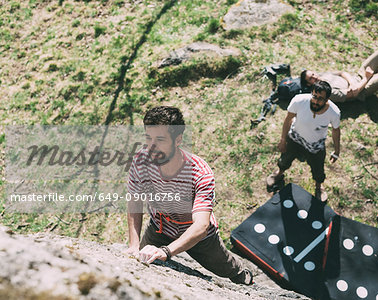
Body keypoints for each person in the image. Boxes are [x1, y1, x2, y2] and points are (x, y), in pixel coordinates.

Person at [126, 106, 252, 285]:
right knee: (140, 261)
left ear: (178, 140)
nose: (151, 147)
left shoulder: (199, 172)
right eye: (148, 138)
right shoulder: (141, 162)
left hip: (197, 235)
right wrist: (134, 245)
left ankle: (243, 275)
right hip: (160, 227)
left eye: (160, 139)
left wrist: (167, 252)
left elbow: (201, 225)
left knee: (227, 268)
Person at [266, 81, 341, 202]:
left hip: (315, 145)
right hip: (295, 138)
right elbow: (288, 119)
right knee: (285, 159)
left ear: (327, 99)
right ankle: (279, 173)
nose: (316, 101)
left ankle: (318, 186)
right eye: (314, 96)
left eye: (320, 99)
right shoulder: (299, 100)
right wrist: (283, 139)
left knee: (318, 169)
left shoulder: (334, 112)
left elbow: (336, 131)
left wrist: (337, 150)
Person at [300, 46, 378, 106]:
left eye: (313, 74)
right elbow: (354, 93)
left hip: (358, 77)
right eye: (311, 78)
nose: (315, 76)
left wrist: (352, 81)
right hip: (364, 88)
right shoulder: (325, 92)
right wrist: (367, 77)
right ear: (309, 84)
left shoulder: (322, 75)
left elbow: (342, 72)